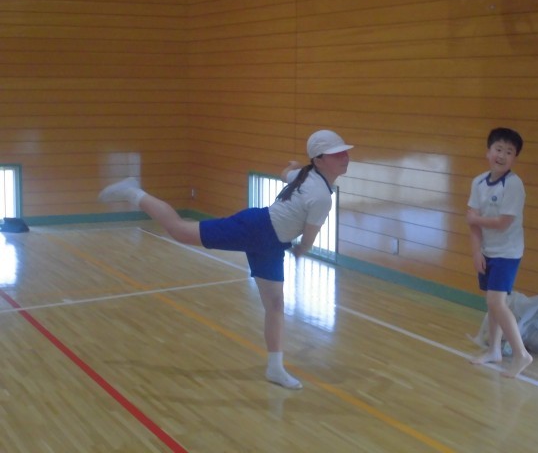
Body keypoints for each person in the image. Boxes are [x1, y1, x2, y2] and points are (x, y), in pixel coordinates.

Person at [98, 129, 353, 389]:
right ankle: (133, 192)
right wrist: (301, 251)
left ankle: (275, 369)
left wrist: (293, 166)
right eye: (337, 154)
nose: (345, 157)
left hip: (271, 244)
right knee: (180, 231)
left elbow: (285, 174)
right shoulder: (321, 196)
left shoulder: (307, 175)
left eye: (344, 152)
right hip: (256, 228)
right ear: (319, 160)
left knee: (275, 305)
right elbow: (309, 237)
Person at [466, 127, 532, 378]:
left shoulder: (513, 185)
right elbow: (472, 223)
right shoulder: (478, 182)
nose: (502, 155)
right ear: (488, 152)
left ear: (514, 158)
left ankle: (521, 354)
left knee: (496, 302)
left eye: (509, 152)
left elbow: (503, 222)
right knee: (491, 302)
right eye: (498, 149)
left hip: (507, 252)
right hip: (488, 251)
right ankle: (494, 350)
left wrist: (476, 219)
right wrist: (476, 252)